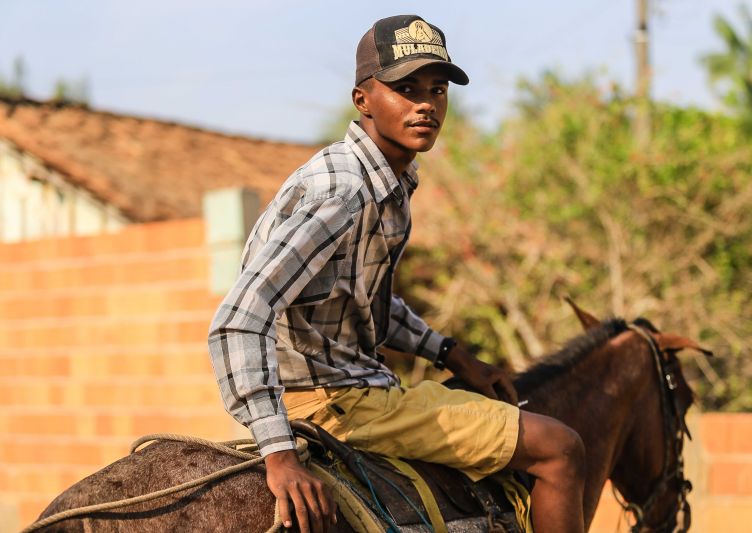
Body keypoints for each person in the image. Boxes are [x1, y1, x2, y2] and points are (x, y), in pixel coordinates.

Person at [208, 14, 586, 533]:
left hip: (350, 388)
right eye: (405, 89)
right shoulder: (342, 191)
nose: (425, 104)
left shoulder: (389, 181)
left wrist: (448, 352)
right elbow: (238, 318)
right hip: (338, 404)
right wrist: (279, 453)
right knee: (560, 448)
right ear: (363, 100)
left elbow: (362, 297)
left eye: (436, 90)